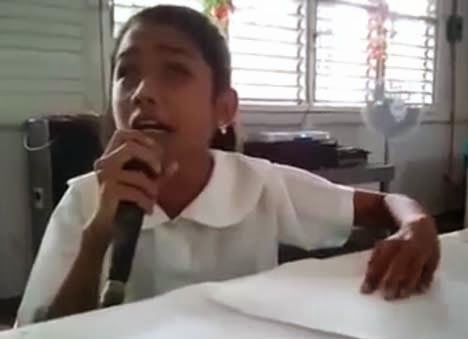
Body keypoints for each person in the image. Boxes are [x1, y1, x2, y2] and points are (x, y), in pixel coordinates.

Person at [16, 5, 439, 326]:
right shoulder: (85, 200)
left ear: (223, 108)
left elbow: (385, 205)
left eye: (175, 71)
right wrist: (97, 239)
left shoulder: (257, 184)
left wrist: (418, 224)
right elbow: (41, 331)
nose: (142, 92)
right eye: (126, 73)